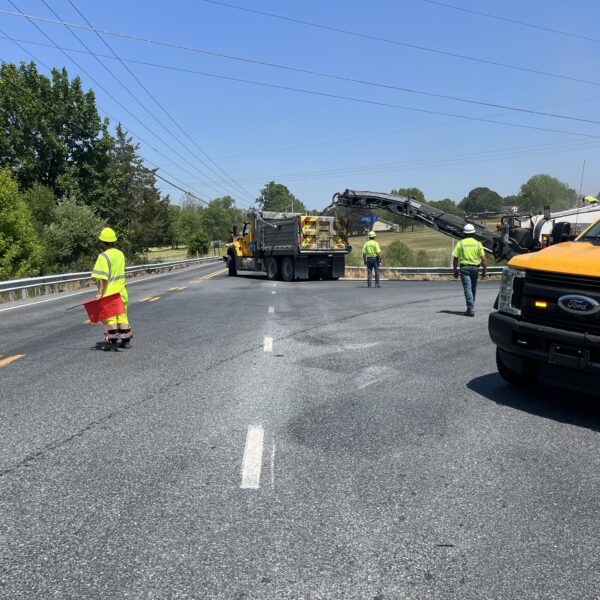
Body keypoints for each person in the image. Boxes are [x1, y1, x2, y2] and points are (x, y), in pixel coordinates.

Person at [91, 227, 133, 350]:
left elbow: (103, 278)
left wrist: (99, 293)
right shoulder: (120, 254)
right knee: (122, 316)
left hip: (110, 293)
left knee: (110, 318)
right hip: (121, 292)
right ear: (113, 241)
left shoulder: (103, 257)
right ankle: (126, 341)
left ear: (102, 241)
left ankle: (112, 342)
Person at [452, 224, 487, 317]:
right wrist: (484, 271)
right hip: (475, 268)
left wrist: (455, 270)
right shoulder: (478, 243)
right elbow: (483, 259)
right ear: (473, 233)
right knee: (473, 288)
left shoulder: (461, 243)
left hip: (464, 268)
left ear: (464, 233)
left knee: (467, 288)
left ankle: (470, 309)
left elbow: (455, 258)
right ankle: (470, 308)